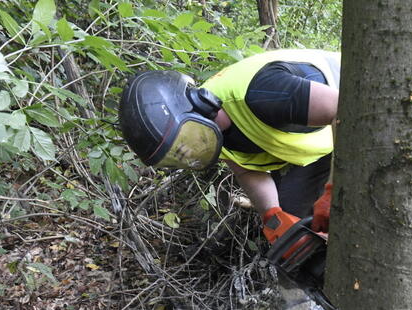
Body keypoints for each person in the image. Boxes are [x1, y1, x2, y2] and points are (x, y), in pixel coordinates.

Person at [117, 49, 340, 245]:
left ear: (199, 106)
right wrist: (273, 215)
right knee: (295, 231)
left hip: (355, 118)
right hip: (316, 149)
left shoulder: (262, 92)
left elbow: (343, 111)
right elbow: (247, 170)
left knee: (347, 209)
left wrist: (335, 190)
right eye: (176, 153)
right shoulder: (208, 133)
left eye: (183, 142)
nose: (187, 152)